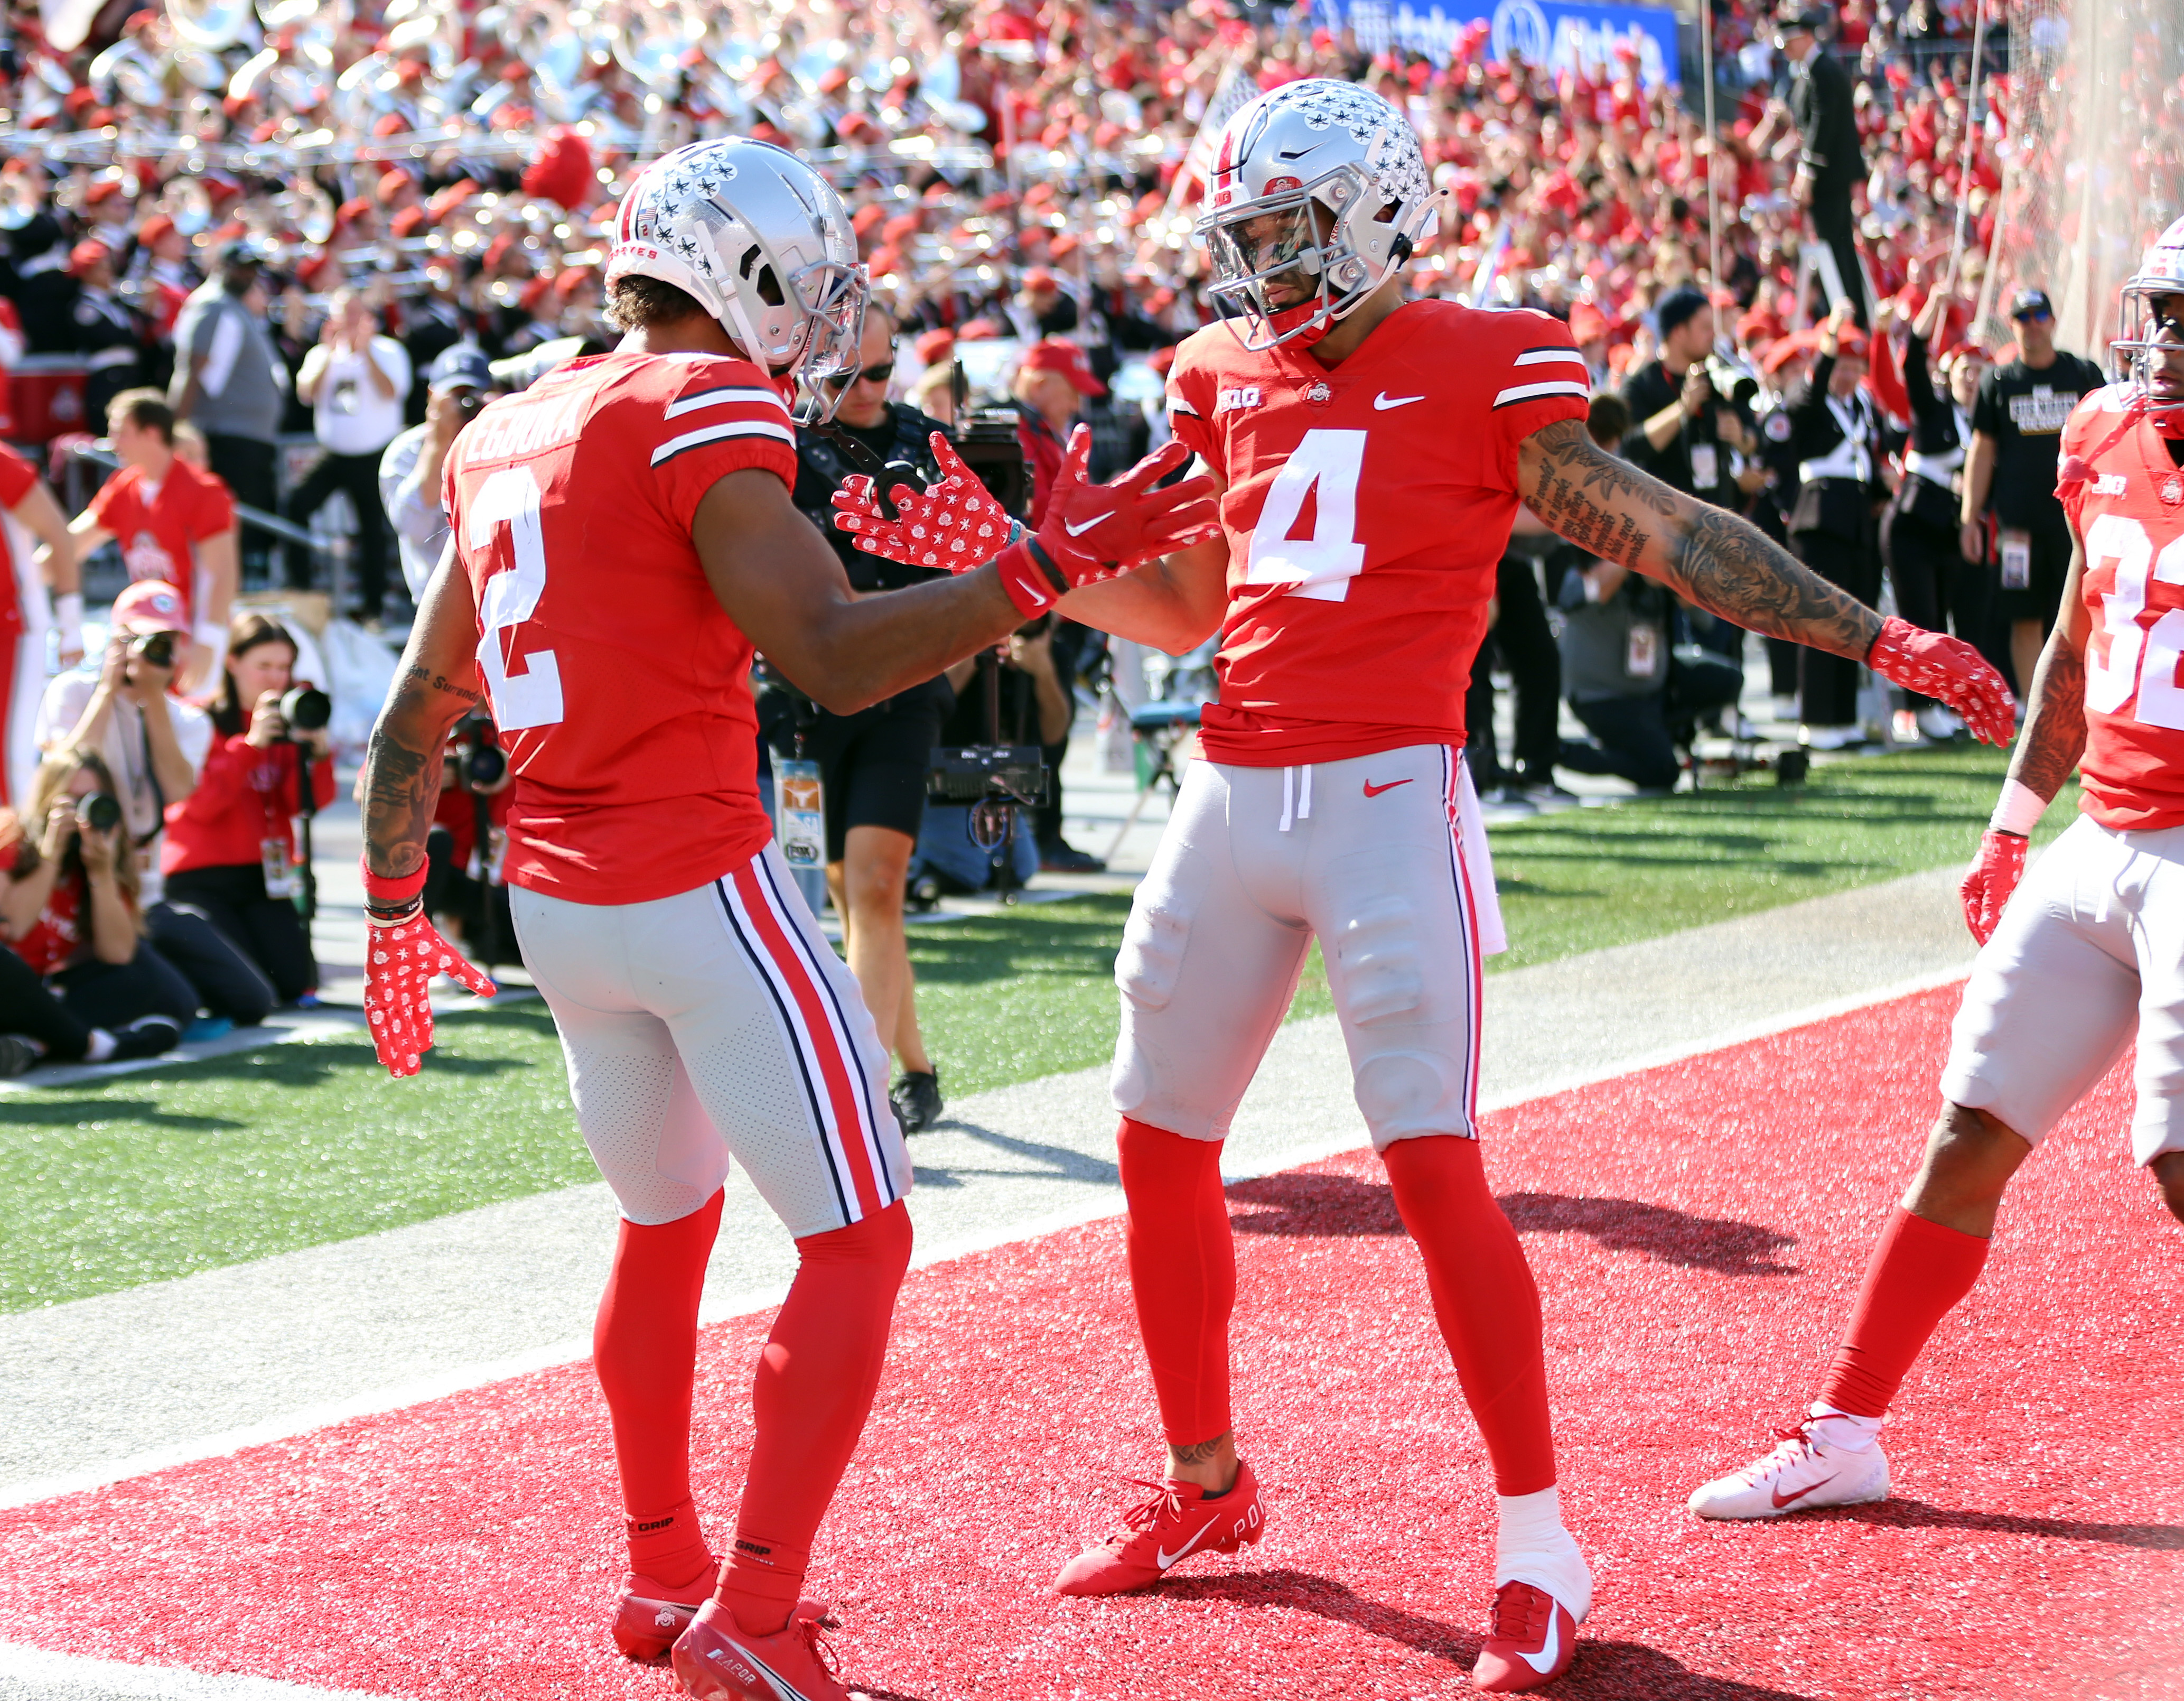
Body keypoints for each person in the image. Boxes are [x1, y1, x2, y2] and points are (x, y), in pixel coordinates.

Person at [836, 78, 2010, 1694]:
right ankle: (1205, 1482)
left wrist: (1877, 633)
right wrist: (1023, 559)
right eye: (1240, 234)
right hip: (1233, 792)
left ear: (1376, 212)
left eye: (1282, 229)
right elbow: (1194, 607)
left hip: (1389, 791)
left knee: (1432, 1160)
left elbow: (1666, 531)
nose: (1256, 264)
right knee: (1157, 1141)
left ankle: (1538, 1540)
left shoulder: (1485, 360)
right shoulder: (1216, 370)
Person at [354, 137, 1217, 1701]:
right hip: (695, 885)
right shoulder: (703, 401)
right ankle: (753, 1605)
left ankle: (661, 1568)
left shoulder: (500, 427)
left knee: (663, 1224)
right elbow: (827, 651)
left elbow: (421, 701)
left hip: (556, 901)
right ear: (740, 273)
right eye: (804, 281)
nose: (820, 319)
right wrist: (1040, 565)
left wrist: (395, 904)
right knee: (862, 1234)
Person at [1688, 218, 2184, 1523]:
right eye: (2163, 313)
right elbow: (2073, 648)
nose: (2167, 342)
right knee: (1967, 1128)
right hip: (2104, 843)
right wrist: (2012, 818)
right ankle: (1841, 1430)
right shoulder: (2096, 435)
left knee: (2179, 1162)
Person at [783, 304, 954, 1134]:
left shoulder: (926, 445)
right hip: (801, 697)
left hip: (901, 684)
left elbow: (973, 563)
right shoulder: (772, 445)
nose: (861, 390)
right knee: (850, 894)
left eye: (877, 372)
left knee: (878, 883)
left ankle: (862, 1089)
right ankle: (914, 1067)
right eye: (842, 374)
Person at [35, 581, 272, 1028]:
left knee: (252, 1000)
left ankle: (156, 981)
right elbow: (61, 774)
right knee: (176, 1004)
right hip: (84, 890)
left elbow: (181, 788)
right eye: (137, 637)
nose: (147, 650)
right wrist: (109, 689)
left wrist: (154, 697)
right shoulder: (72, 691)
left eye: (162, 640)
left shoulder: (187, 718)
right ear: (113, 636)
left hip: (148, 898)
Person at [162, 614, 335, 1006]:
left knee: (292, 984)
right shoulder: (197, 718)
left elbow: (306, 804)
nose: (275, 678)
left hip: (264, 876)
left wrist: (317, 753)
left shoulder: (289, 720)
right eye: (264, 666)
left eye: (284, 667)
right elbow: (201, 804)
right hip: (201, 875)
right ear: (232, 663)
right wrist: (250, 744)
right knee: (245, 985)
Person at [1961, 286, 2108, 700]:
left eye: (2038, 314)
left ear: (2053, 319)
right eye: (2021, 317)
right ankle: (2032, 706)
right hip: (2017, 526)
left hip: (2077, 523)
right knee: (2023, 617)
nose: (2031, 324)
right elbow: (1982, 449)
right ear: (2011, 325)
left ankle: (2083, 704)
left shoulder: (2081, 374)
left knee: (2084, 615)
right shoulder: (1999, 382)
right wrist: (1970, 516)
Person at [4, 746, 194, 1044]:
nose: (82, 812)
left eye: (91, 800)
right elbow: (14, 926)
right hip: (11, 982)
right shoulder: (11, 834)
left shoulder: (105, 854)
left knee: (140, 979)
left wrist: (101, 873)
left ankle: (37, 1043)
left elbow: (117, 954)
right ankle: (85, 1045)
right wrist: (51, 854)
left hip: (47, 989)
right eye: (71, 800)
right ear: (47, 799)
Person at [1009, 338, 1110, 872]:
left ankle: (1042, 833)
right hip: (1042, 593)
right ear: (1043, 383)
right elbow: (1034, 521)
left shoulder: (1041, 432)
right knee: (1038, 722)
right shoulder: (1021, 436)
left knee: (1049, 720)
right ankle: (1035, 834)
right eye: (1071, 391)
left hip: (1059, 591)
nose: (1077, 404)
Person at [69, 389, 236, 690]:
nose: (112, 442)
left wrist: (208, 640)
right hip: (145, 632)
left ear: (152, 433)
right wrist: (20, 573)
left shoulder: (203, 490)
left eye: (120, 432)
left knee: (189, 724)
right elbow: (71, 545)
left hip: (191, 634)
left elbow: (222, 572)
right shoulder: (124, 486)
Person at [1883, 288, 1986, 741]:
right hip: (1911, 529)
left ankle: (1941, 706)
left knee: (1943, 623)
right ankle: (1918, 710)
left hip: (1946, 534)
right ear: (1950, 373)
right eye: (1967, 370)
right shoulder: (1934, 408)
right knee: (1919, 622)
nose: (1974, 379)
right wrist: (1935, 308)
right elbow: (1911, 360)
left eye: (1982, 372)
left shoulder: (1985, 422)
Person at [1782, 303, 1887, 747]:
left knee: (1852, 623)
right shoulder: (1811, 401)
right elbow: (1807, 402)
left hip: (1858, 518)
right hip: (1821, 518)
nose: (1847, 375)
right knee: (1821, 619)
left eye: (1854, 367)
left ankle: (1843, 718)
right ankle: (1817, 718)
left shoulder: (1863, 404)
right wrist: (1830, 337)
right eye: (1840, 366)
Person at [911, 615, 1074, 894]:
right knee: (966, 872)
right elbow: (931, 706)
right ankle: (913, 863)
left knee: (1021, 868)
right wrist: (978, 651)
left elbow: (1055, 734)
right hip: (944, 775)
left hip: (998, 783)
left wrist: (1043, 673)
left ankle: (933, 859)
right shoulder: (957, 644)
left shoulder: (1053, 653)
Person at [290, 290, 412, 623]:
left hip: (373, 455)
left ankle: (373, 608)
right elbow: (305, 394)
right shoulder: (322, 354)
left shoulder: (388, 350)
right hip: (334, 454)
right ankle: (301, 588)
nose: (351, 321)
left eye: (357, 313)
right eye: (345, 314)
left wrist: (366, 352)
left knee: (371, 531)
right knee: (296, 504)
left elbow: (392, 391)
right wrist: (330, 355)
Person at [169, 240, 286, 582]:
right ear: (221, 265)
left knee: (252, 523)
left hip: (243, 438)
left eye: (253, 267)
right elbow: (193, 370)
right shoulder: (212, 305)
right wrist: (173, 428)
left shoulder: (231, 306)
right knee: (240, 523)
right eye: (241, 266)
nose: (248, 274)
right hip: (227, 438)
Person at [1774, 5, 1870, 328]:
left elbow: (1823, 127)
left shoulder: (1821, 72)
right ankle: (1851, 314)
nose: (1786, 51)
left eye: (1790, 43)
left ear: (1803, 39)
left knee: (1836, 247)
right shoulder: (1813, 72)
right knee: (1836, 246)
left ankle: (1851, 318)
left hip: (1829, 182)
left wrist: (1807, 174)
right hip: (1830, 179)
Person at [381, 343, 494, 602]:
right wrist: (437, 443)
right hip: (437, 600)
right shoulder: (407, 450)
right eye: (455, 395)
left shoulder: (499, 441)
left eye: (473, 394)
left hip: (494, 593)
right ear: (432, 394)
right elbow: (413, 528)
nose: (464, 405)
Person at [0, 441, 79, 805]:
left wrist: (71, 623)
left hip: (12, 627)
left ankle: (15, 857)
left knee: (9, 757)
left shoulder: (3, 463)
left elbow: (58, 532)